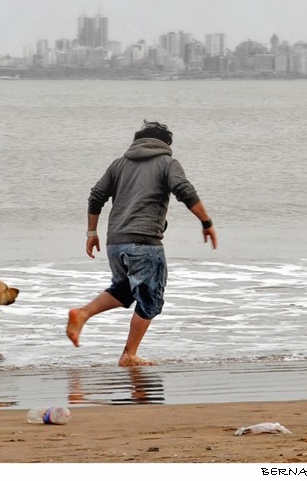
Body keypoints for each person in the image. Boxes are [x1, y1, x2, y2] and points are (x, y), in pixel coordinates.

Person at [66, 120, 217, 366]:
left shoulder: (119, 164)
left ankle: (82, 314)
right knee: (150, 300)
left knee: (124, 290)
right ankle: (129, 354)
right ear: (165, 144)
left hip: (115, 243)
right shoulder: (168, 163)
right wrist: (206, 222)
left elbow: (96, 196)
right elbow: (184, 190)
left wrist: (91, 232)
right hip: (144, 243)